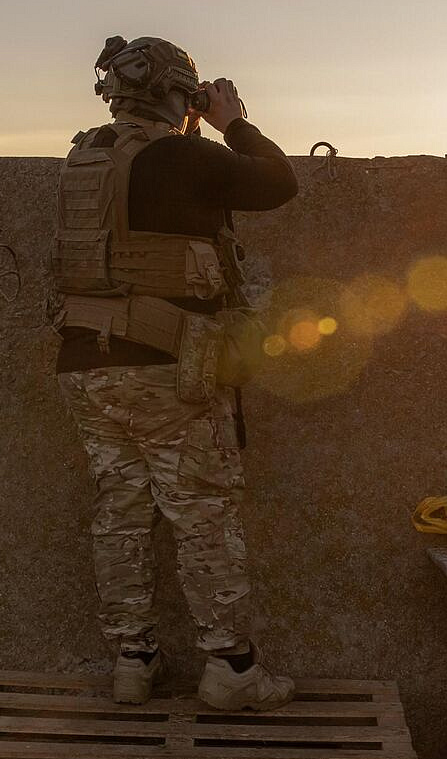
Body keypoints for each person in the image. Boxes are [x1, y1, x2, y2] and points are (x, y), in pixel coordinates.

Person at [49, 35, 298, 710]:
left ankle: (133, 661)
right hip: (166, 368)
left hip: (86, 366)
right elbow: (278, 181)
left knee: (120, 515)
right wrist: (233, 120)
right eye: (191, 100)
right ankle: (232, 670)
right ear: (177, 97)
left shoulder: (82, 161)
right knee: (202, 515)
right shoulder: (184, 155)